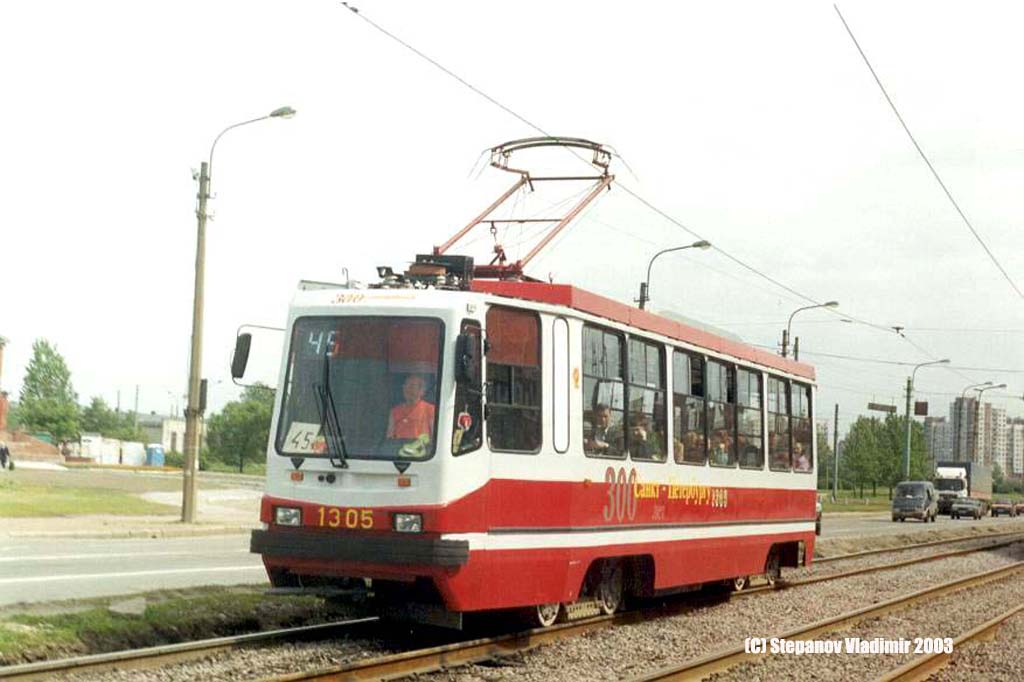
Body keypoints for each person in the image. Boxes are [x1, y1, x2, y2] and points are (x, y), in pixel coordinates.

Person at [387, 375, 436, 442]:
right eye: (405, 386)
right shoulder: (395, 411)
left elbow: (435, 438)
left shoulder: (430, 410)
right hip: (398, 450)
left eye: (411, 386)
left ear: (421, 391)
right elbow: (389, 437)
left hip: (421, 450)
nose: (407, 389)